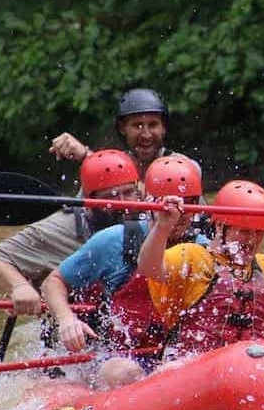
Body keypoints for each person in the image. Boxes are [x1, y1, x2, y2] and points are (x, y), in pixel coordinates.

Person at [40, 156, 210, 388]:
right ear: (150, 201)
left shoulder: (204, 249)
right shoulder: (113, 240)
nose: (179, 213)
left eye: (187, 202)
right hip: (117, 357)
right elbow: (53, 282)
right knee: (126, 373)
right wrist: (67, 319)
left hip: (173, 354)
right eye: (167, 204)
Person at [138, 180, 264, 357]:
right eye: (245, 231)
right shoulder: (192, 256)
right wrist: (162, 227)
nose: (252, 240)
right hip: (192, 369)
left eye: (259, 233)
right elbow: (149, 267)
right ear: (220, 226)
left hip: (253, 368)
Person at [0, 149, 141, 315]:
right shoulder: (62, 228)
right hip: (78, 325)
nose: (124, 204)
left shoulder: (152, 219)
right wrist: (20, 287)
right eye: (112, 196)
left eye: (129, 193)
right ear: (91, 200)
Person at [48, 88, 175, 173]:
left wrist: (86, 157)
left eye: (153, 125)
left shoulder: (185, 167)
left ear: (163, 127)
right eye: (138, 126)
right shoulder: (112, 165)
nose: (146, 134)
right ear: (122, 128)